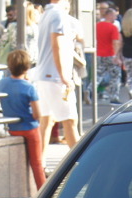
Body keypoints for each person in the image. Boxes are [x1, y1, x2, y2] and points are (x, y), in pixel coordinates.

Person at [34, 0, 80, 147]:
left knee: (46, 121)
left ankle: (40, 165)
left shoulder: (46, 14)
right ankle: (80, 164)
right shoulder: (58, 14)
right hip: (55, 76)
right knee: (70, 120)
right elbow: (57, 45)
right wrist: (64, 76)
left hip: (44, 74)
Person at [0, 48, 45, 191]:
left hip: (12, 128)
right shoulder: (29, 87)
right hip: (29, 128)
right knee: (37, 163)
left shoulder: (2, 83)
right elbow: (37, 114)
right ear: (27, 67)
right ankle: (42, 191)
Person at [94, 6, 122, 102]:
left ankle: (90, 90)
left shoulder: (96, 25)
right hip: (110, 54)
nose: (115, 18)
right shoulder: (113, 27)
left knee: (98, 74)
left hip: (98, 54)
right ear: (109, 15)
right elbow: (115, 42)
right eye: (114, 15)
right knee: (116, 75)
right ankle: (113, 96)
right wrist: (116, 56)